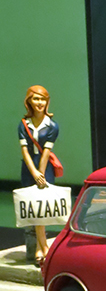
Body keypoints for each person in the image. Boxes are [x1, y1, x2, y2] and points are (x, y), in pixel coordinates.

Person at [18, 85, 60, 265]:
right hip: (28, 169)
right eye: (36, 98)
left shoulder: (52, 126)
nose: (39, 102)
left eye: (43, 99)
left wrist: (41, 173)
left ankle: (40, 248)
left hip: (45, 168)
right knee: (33, 206)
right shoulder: (23, 125)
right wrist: (34, 172)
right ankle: (42, 247)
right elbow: (25, 151)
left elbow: (45, 153)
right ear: (29, 101)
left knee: (42, 206)